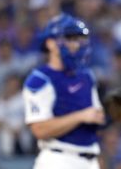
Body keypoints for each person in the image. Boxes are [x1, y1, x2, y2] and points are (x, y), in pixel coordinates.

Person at [22, 14, 105, 169]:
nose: (76, 44)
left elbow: (94, 116)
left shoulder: (86, 76)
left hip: (90, 159)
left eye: (78, 39)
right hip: (58, 159)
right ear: (50, 43)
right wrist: (80, 116)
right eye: (69, 38)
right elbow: (40, 129)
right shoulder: (40, 79)